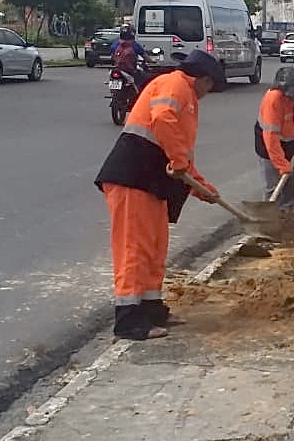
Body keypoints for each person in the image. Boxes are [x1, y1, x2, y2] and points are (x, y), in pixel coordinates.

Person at [94, 50, 223, 340]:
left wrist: (202, 187)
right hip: (132, 176)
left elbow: (181, 157)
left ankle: (152, 309)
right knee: (134, 248)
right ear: (202, 79)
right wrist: (179, 163)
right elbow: (163, 121)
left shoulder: (188, 97)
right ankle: (128, 321)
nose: (210, 91)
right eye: (211, 84)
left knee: (154, 247)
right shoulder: (174, 84)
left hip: (152, 181)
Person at [255, 65, 294, 212]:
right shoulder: (273, 100)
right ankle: (271, 218)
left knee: (292, 182)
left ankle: (289, 213)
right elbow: (271, 138)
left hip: (292, 138)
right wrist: (281, 165)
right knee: (274, 185)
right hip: (268, 142)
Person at [110, 25, 149, 89]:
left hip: (117, 68)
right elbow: (144, 55)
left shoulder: (116, 44)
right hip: (130, 70)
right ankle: (139, 93)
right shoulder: (134, 45)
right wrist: (152, 61)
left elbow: (112, 55)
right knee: (143, 78)